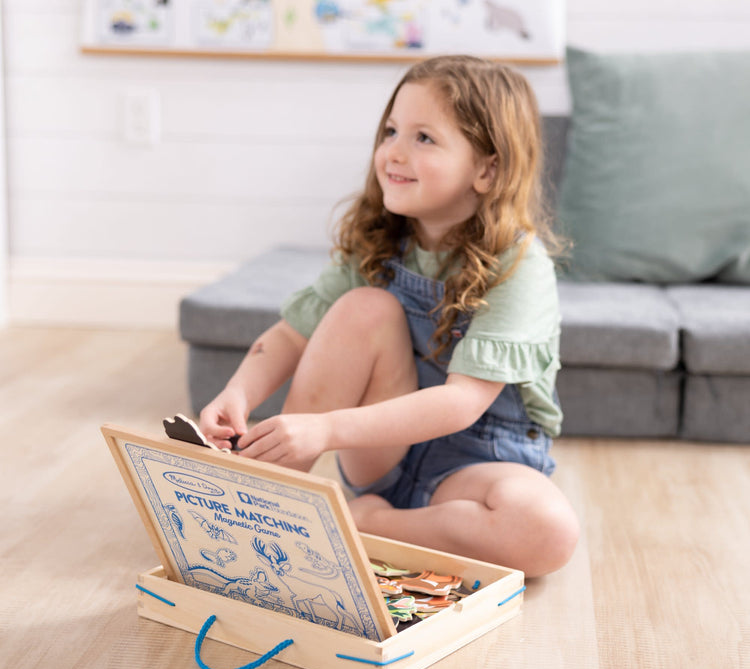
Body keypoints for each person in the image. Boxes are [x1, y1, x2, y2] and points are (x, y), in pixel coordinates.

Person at [199, 56, 579, 577]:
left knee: (548, 530)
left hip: (478, 466)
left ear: (487, 169)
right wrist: (238, 393)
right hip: (384, 456)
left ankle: (365, 527)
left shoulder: (519, 263)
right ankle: (262, 506)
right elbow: (291, 334)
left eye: (424, 138)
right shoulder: (381, 243)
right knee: (362, 307)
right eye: (391, 131)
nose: (394, 152)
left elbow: (462, 401)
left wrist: (324, 428)